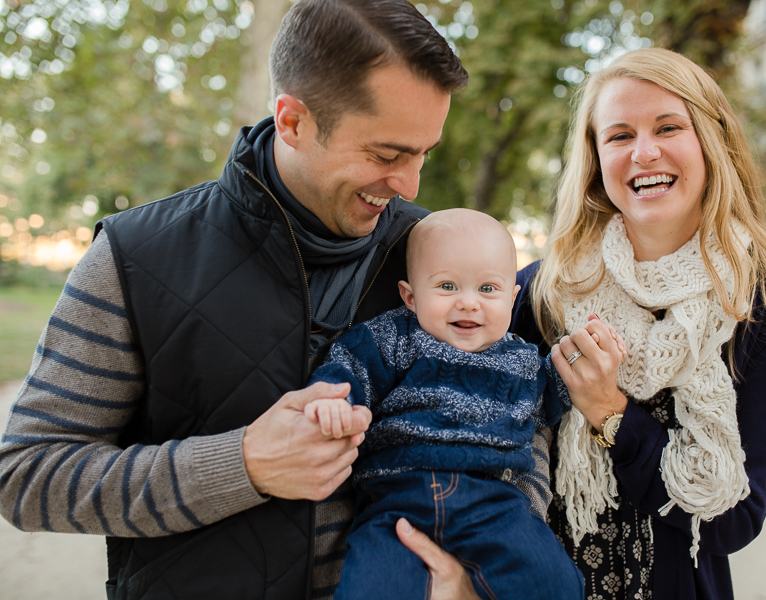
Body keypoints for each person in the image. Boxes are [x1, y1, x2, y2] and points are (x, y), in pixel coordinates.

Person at [0, 1, 482, 599]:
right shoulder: (134, 255)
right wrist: (244, 464)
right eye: (386, 155)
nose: (409, 185)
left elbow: (516, 423)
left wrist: (474, 578)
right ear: (293, 122)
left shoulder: (438, 256)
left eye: (423, 154)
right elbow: (27, 476)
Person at [510, 48, 766, 600]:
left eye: (668, 126)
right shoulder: (544, 291)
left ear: (711, 140)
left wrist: (612, 415)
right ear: (596, 158)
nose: (644, 153)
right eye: (619, 135)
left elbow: (733, 521)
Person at [304, 209, 595, 600]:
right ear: (410, 296)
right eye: (447, 286)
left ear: (512, 297)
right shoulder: (396, 338)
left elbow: (546, 405)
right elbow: (350, 366)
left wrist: (579, 362)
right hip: (396, 502)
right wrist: (331, 398)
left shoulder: (523, 360)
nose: (469, 304)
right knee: (371, 587)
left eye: (488, 290)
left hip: (493, 504)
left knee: (557, 584)